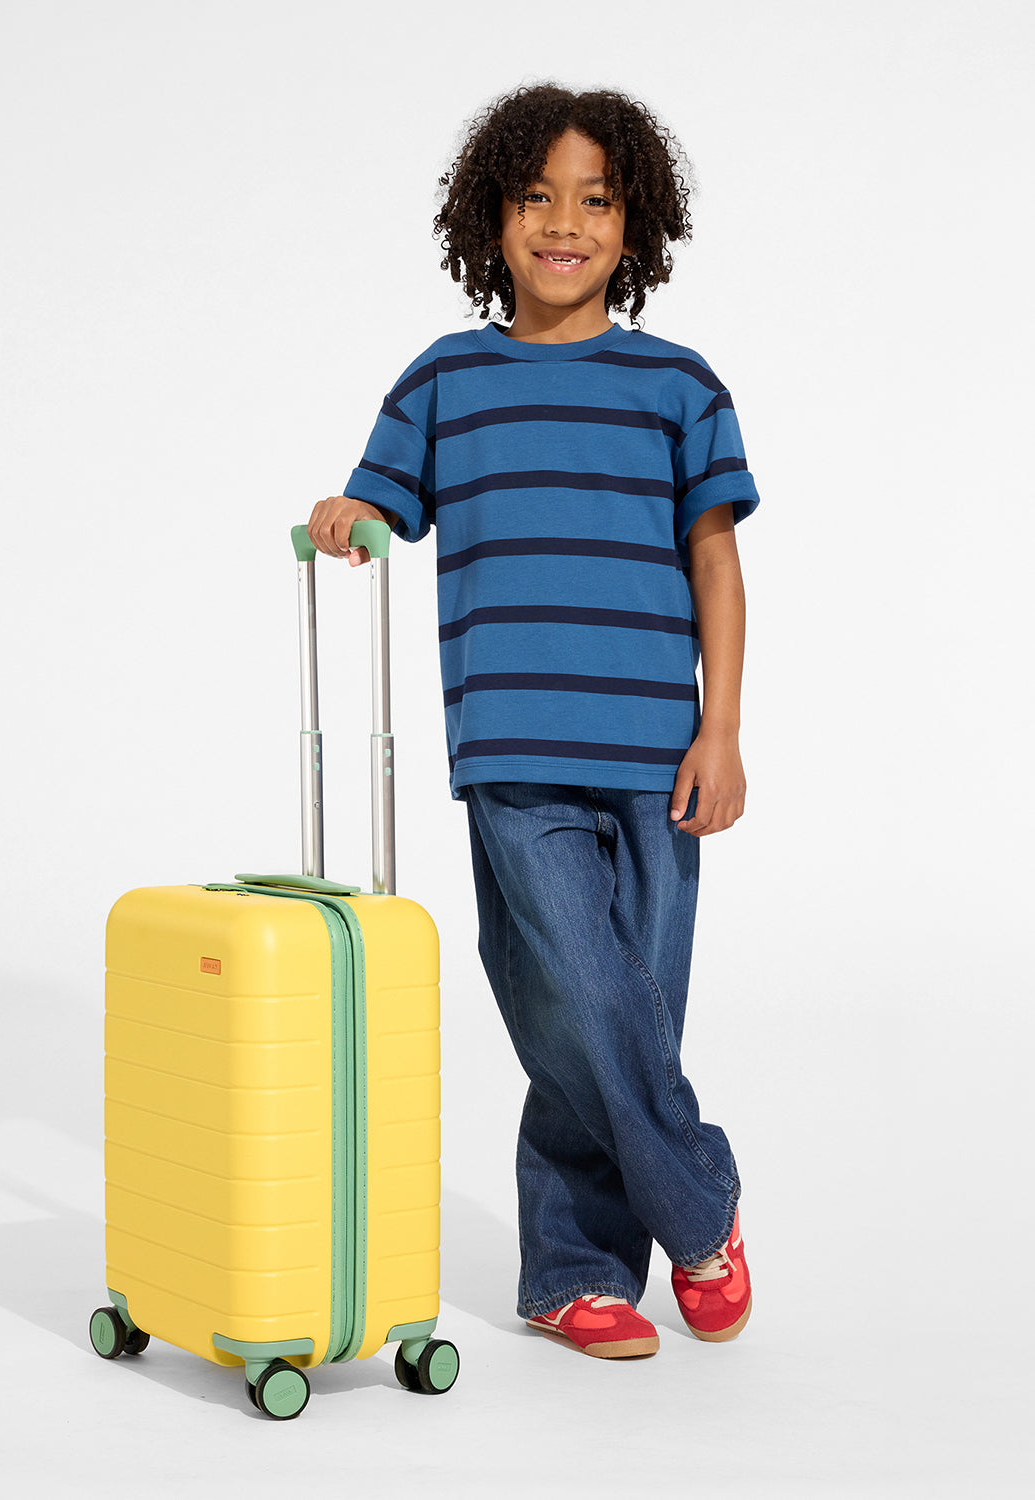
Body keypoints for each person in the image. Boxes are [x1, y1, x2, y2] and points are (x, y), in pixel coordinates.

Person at [307, 82, 758, 1360]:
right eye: (536, 197)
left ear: (634, 225)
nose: (564, 223)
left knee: (617, 1018)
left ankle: (574, 1273)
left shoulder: (680, 386)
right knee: (577, 999)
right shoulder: (447, 378)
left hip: (659, 756)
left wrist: (722, 729)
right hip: (513, 752)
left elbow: (716, 563)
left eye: (595, 201)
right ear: (490, 219)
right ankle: (702, 1206)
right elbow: (381, 505)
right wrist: (350, 514)